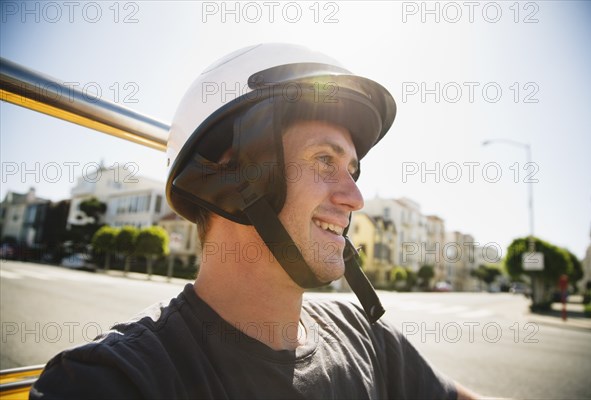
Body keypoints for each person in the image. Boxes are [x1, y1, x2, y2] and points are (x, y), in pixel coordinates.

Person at [31, 43, 480, 399]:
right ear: (233, 177)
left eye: (354, 171)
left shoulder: (368, 337)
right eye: (325, 160)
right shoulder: (113, 381)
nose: (355, 198)